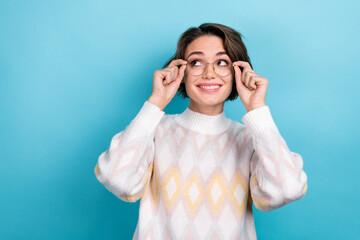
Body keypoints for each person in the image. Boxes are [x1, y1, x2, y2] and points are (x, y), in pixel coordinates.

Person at [94, 23, 308, 239]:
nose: (209, 73)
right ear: (181, 72)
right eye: (196, 62)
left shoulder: (251, 140)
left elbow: (287, 190)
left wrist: (257, 110)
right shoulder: (154, 131)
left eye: (222, 62)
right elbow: (117, 179)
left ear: (239, 73)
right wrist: (155, 103)